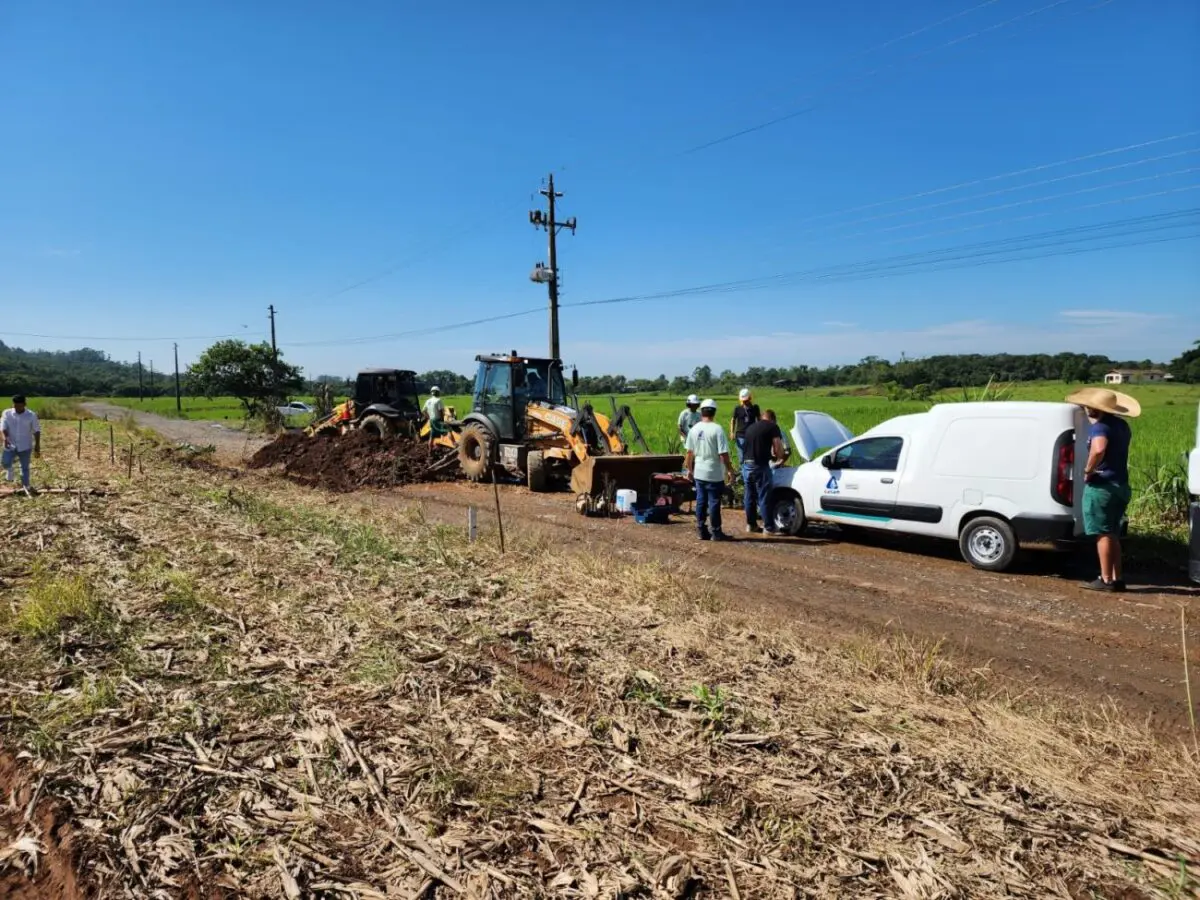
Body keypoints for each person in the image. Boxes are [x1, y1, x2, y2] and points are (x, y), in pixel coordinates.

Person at [1067, 387, 1140, 592]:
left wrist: (1088, 469)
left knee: (1103, 533)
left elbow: (1099, 448)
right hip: (1120, 485)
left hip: (1102, 487)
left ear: (1096, 409)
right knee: (1112, 532)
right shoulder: (1121, 425)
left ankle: (1105, 579)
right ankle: (1117, 578)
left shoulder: (1100, 428)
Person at [685, 398, 735, 542]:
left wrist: (689, 470)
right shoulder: (717, 429)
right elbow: (723, 454)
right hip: (714, 473)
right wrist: (730, 470)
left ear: (701, 411)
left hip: (699, 472)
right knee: (714, 502)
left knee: (701, 501)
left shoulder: (694, 429)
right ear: (714, 412)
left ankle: (701, 530)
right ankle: (716, 532)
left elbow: (689, 453)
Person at [741, 408, 789, 533]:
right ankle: (769, 527)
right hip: (760, 466)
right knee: (764, 496)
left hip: (746, 466)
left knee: (749, 496)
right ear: (773, 419)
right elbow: (778, 447)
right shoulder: (772, 427)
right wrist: (780, 459)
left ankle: (751, 525)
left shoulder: (751, 427)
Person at [2, 395, 41, 490]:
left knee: (24, 467)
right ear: (13, 404)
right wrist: (5, 439)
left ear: (24, 404)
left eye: (20, 406)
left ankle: (25, 486)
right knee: (5, 462)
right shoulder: (7, 413)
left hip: (25, 445)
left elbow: (36, 431)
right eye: (15, 406)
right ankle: (10, 470)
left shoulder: (31, 415)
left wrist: (37, 446)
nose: (17, 408)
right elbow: (3, 428)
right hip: (10, 444)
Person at [729, 388, 760, 462]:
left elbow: (759, 420)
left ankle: (750, 471)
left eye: (746, 400)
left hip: (752, 435)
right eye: (743, 401)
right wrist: (732, 432)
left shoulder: (755, 408)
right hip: (740, 435)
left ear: (750, 398)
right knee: (742, 456)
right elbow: (733, 420)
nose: (745, 402)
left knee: (752, 456)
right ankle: (743, 472)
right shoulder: (738, 408)